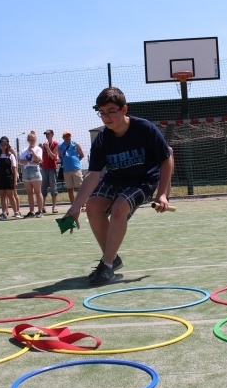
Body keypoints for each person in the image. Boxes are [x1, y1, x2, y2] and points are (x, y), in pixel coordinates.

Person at [62, 87, 173, 286]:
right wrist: (75, 206)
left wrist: (163, 194)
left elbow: (167, 158)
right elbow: (93, 175)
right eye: (102, 112)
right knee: (93, 205)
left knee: (119, 207)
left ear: (124, 110)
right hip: (115, 179)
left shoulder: (144, 129)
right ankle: (112, 258)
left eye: (111, 111)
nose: (106, 117)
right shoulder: (102, 139)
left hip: (143, 180)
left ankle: (107, 265)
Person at [0, 136, 20, 220]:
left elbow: (14, 169)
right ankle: (4, 213)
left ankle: (16, 212)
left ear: (7, 145)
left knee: (11, 195)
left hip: (9, 178)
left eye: (5, 144)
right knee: (2, 196)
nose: (3, 146)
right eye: (1, 144)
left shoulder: (10, 156)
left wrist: (15, 180)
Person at [19, 132, 44, 218]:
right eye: (30, 140)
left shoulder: (38, 149)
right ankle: (31, 211)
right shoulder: (24, 150)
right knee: (29, 193)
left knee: (38, 192)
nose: (32, 141)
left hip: (35, 172)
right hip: (26, 171)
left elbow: (38, 160)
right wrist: (30, 162)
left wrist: (33, 151)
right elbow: (21, 161)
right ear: (28, 140)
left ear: (35, 140)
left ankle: (40, 211)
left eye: (33, 140)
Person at [58, 131, 85, 209]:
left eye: (68, 136)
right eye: (65, 136)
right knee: (70, 189)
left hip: (76, 169)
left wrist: (76, 161)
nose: (67, 138)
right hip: (66, 171)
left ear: (71, 137)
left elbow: (82, 155)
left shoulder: (76, 144)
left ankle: (83, 204)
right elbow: (60, 157)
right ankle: (74, 206)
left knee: (80, 188)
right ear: (63, 138)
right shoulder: (60, 146)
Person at [40, 129, 60, 214]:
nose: (47, 136)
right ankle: (42, 207)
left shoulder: (55, 144)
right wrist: (41, 148)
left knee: (53, 186)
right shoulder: (43, 145)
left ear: (52, 134)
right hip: (44, 168)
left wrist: (48, 148)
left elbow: (54, 157)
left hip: (52, 168)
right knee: (43, 187)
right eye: (46, 134)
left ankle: (54, 207)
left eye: (48, 134)